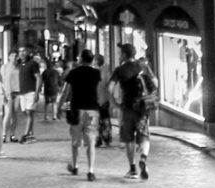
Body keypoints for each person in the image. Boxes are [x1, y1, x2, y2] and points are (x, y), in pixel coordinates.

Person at [111, 43, 159, 179]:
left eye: (120, 53)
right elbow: (155, 83)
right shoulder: (143, 66)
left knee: (129, 139)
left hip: (127, 107)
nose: (119, 55)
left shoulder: (120, 70)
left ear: (124, 55)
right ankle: (143, 158)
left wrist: (115, 103)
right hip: (142, 108)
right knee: (144, 136)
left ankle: (132, 169)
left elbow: (110, 88)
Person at [59, 46, 102, 179]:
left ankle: (76, 166)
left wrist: (60, 106)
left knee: (75, 141)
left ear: (81, 59)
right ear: (92, 60)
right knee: (91, 141)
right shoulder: (96, 73)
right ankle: (91, 171)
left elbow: (66, 91)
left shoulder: (74, 72)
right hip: (92, 111)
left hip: (76, 109)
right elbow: (99, 91)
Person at [16, 48, 42, 140]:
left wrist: (37, 92)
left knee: (29, 112)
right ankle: (31, 133)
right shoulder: (20, 65)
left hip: (31, 91)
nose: (22, 53)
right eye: (20, 51)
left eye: (24, 51)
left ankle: (26, 134)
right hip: (22, 92)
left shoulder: (32, 64)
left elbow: (38, 77)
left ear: (28, 52)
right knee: (25, 112)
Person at [0, 48, 22, 144]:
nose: (14, 57)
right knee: (8, 114)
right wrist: (3, 93)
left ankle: (12, 134)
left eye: (16, 56)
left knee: (15, 114)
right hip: (8, 93)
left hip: (17, 92)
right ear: (9, 57)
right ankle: (4, 135)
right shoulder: (4, 67)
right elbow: (1, 81)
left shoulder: (19, 67)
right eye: (12, 55)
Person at [41, 55, 63, 125]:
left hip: (47, 89)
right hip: (54, 89)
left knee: (47, 103)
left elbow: (42, 80)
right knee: (54, 102)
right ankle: (54, 116)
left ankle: (46, 115)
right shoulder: (56, 72)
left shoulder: (45, 72)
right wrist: (60, 87)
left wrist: (40, 88)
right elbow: (60, 81)